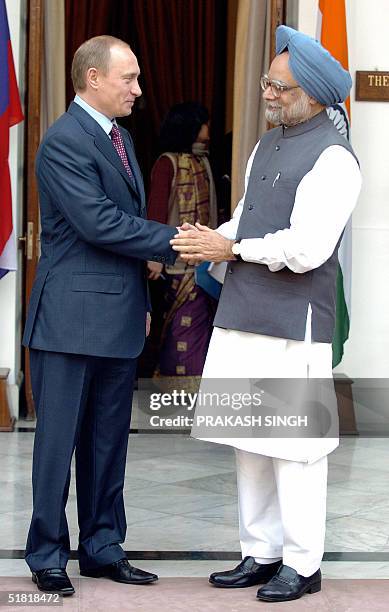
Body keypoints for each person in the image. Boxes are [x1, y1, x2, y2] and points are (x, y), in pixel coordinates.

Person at [171, 26, 362, 604]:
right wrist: (214, 237)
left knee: (295, 449)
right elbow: (248, 224)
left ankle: (303, 565)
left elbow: (306, 249)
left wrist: (233, 249)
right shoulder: (264, 145)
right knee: (248, 439)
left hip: (294, 325)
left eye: (278, 86)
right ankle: (261, 552)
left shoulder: (335, 158)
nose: (267, 94)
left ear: (311, 95)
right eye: (267, 82)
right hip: (244, 311)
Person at [22, 35, 179, 596]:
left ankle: (102, 547)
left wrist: (139, 299)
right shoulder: (65, 141)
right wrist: (177, 242)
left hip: (117, 317)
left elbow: (120, 227)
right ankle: (46, 553)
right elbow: (100, 224)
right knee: (57, 444)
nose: (138, 89)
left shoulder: (120, 138)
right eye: (128, 78)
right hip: (67, 321)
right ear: (93, 79)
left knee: (109, 443)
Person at [147, 102, 218, 379]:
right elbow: (156, 213)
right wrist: (154, 258)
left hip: (203, 266)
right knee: (178, 329)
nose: (207, 130)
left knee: (199, 330)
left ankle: (194, 398)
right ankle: (173, 395)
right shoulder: (167, 163)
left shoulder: (204, 161)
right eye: (203, 123)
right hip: (174, 266)